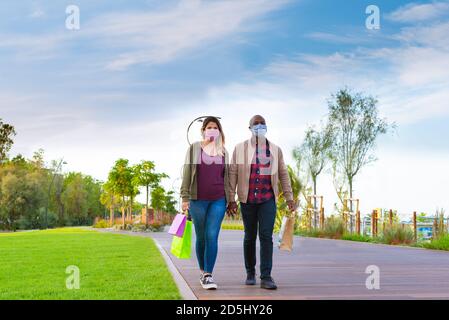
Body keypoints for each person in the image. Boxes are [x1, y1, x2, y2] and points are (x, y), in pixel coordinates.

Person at [227, 115, 295, 290]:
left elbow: (283, 173)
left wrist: (289, 197)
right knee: (249, 236)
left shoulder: (275, 149)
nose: (259, 126)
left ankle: (266, 276)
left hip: (267, 199)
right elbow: (232, 174)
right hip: (247, 199)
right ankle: (250, 272)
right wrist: (230, 199)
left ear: (266, 127)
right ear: (249, 128)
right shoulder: (240, 148)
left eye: (262, 123)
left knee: (266, 236)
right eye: (255, 124)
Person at [180, 116, 231, 290]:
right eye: (209, 127)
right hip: (197, 200)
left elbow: (228, 177)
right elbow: (187, 171)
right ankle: (202, 272)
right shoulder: (194, 148)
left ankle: (208, 274)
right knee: (201, 237)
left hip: (218, 199)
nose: (212, 130)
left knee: (212, 236)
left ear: (220, 131)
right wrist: (184, 197)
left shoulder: (224, 151)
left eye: (215, 127)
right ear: (203, 130)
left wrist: (231, 200)